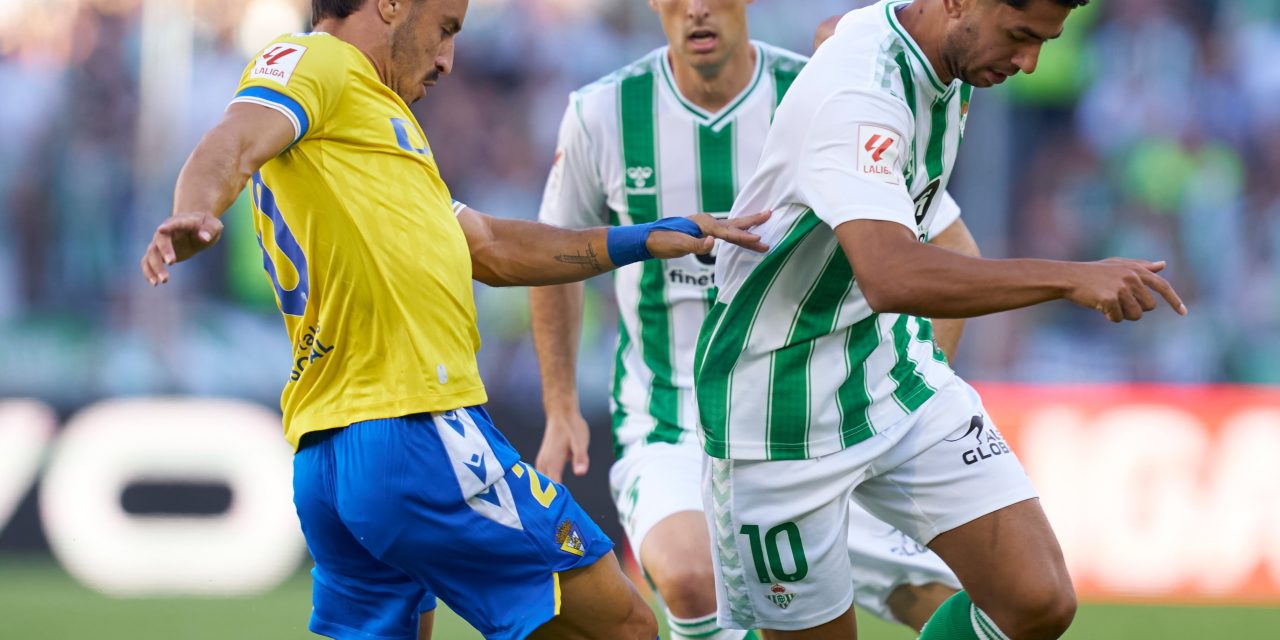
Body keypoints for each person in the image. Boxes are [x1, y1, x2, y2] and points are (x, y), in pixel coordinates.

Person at [137, 1, 770, 639]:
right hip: (414, 429)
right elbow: (232, 138)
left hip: (331, 450)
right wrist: (195, 208)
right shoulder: (316, 60)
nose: (447, 58)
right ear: (388, 5)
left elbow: (491, 246)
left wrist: (648, 238)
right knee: (623, 625)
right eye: (445, 28)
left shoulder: (373, 124)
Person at [697, 0, 1188, 638]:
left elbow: (833, 30)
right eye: (1019, 36)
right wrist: (1071, 276)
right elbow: (894, 276)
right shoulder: (861, 90)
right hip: (775, 408)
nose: (1030, 63)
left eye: (1044, 41)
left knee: (1038, 600)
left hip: (887, 370)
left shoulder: (937, 45)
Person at [530, 1, 966, 638]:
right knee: (688, 574)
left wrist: (902, 395)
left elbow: (950, 246)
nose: (697, 9)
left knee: (938, 598)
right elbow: (554, 254)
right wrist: (561, 404)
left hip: (823, 419)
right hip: (673, 422)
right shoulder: (603, 113)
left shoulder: (823, 88)